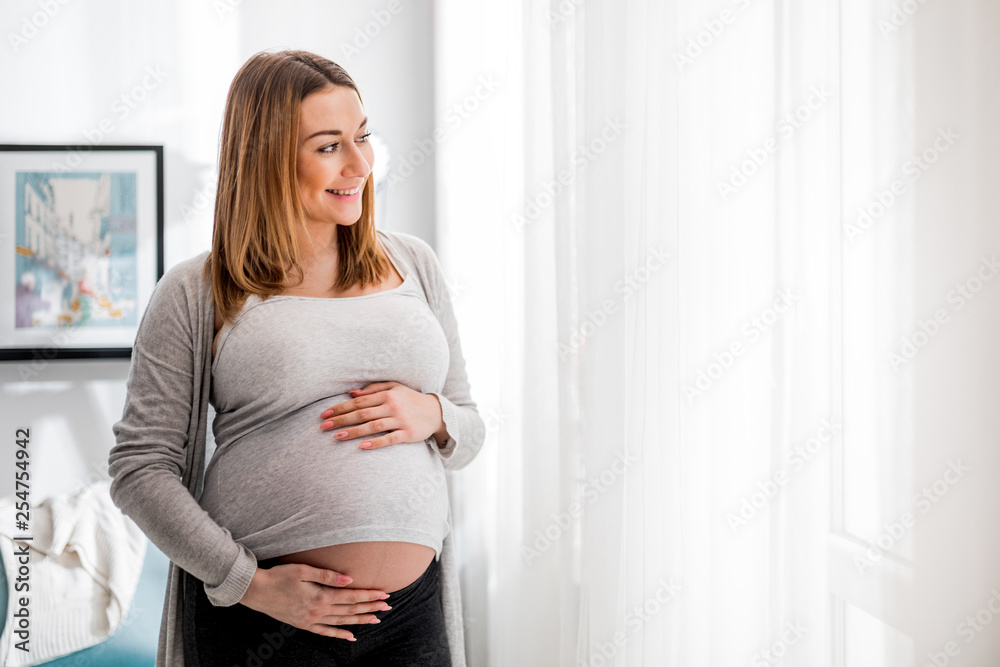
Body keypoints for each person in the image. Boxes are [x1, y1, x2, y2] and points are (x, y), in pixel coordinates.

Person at [108, 49, 486, 667]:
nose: (361, 165)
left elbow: (468, 430)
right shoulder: (197, 290)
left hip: (409, 616)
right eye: (329, 146)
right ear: (267, 158)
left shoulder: (414, 263)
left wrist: (433, 414)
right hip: (268, 623)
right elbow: (140, 468)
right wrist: (249, 584)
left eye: (363, 137)